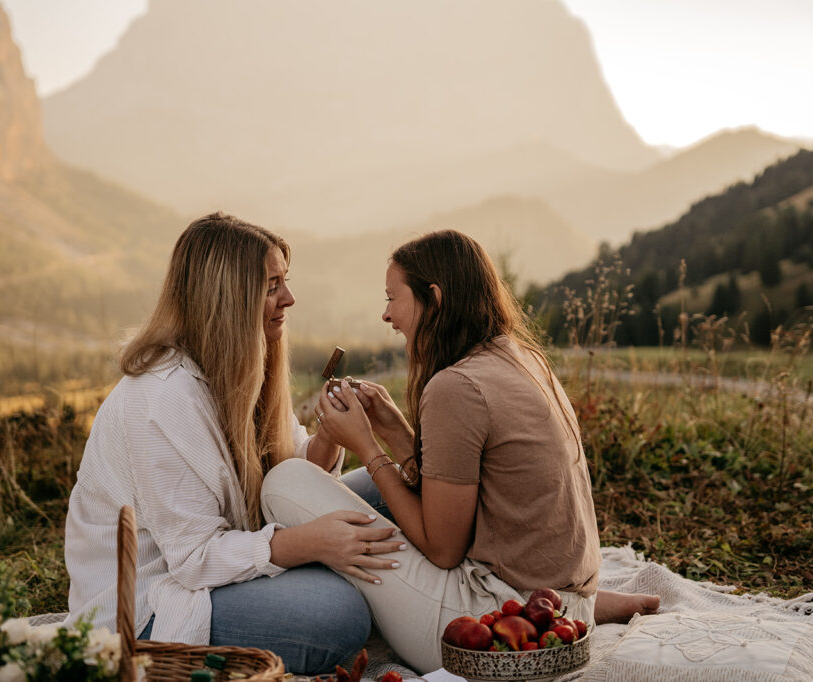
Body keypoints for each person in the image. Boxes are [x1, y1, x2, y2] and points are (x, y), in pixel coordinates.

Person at [260, 230, 658, 673]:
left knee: (285, 483)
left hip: (490, 627)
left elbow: (444, 550)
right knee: (358, 492)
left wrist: (367, 448)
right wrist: (395, 431)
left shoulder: (456, 387)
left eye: (393, 298)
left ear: (434, 297)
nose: (386, 314)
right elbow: (467, 487)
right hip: (556, 608)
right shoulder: (521, 358)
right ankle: (589, 606)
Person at [63, 212, 402, 675]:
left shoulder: (242, 363)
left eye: (285, 281)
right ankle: (374, 596)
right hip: (154, 605)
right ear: (227, 298)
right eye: (271, 286)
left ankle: (418, 605)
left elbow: (286, 473)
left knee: (387, 490)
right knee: (338, 616)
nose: (289, 298)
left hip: (230, 555)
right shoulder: (161, 401)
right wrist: (310, 543)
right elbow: (194, 560)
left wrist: (327, 435)